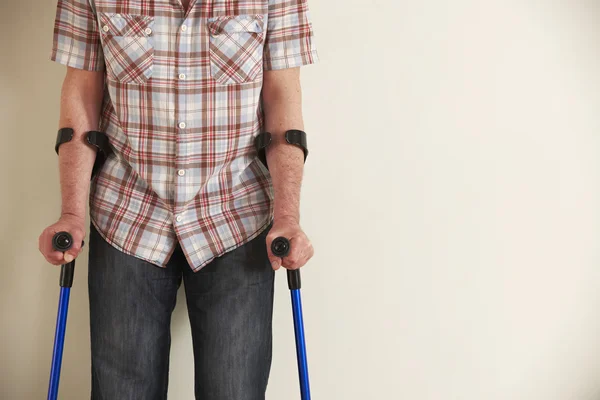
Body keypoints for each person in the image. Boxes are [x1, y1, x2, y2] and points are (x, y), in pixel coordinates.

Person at [38, 0, 319, 398]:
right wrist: (71, 213)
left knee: (234, 391)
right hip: (127, 215)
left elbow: (283, 106)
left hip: (234, 215)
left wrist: (288, 216)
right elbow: (81, 98)